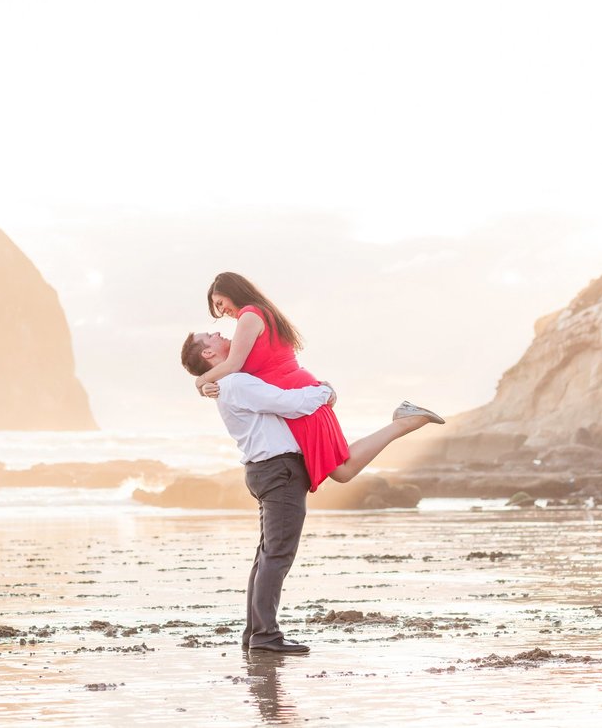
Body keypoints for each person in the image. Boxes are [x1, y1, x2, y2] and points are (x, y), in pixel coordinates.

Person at [191, 271, 444, 491]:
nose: (221, 310)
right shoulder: (261, 313)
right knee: (341, 469)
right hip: (298, 388)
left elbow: (233, 365)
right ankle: (404, 420)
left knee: (342, 470)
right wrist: (211, 385)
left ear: (232, 292)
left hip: (295, 393)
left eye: (220, 302)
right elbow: (234, 371)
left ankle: (404, 422)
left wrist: (200, 381)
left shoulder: (249, 316)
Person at [180, 330, 336, 653]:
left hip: (266, 470)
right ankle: (265, 635)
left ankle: (255, 632)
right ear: (208, 355)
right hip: (278, 470)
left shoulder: (229, 383)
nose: (219, 332)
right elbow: (289, 404)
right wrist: (325, 391)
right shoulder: (236, 383)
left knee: (266, 555)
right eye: (210, 336)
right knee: (276, 555)